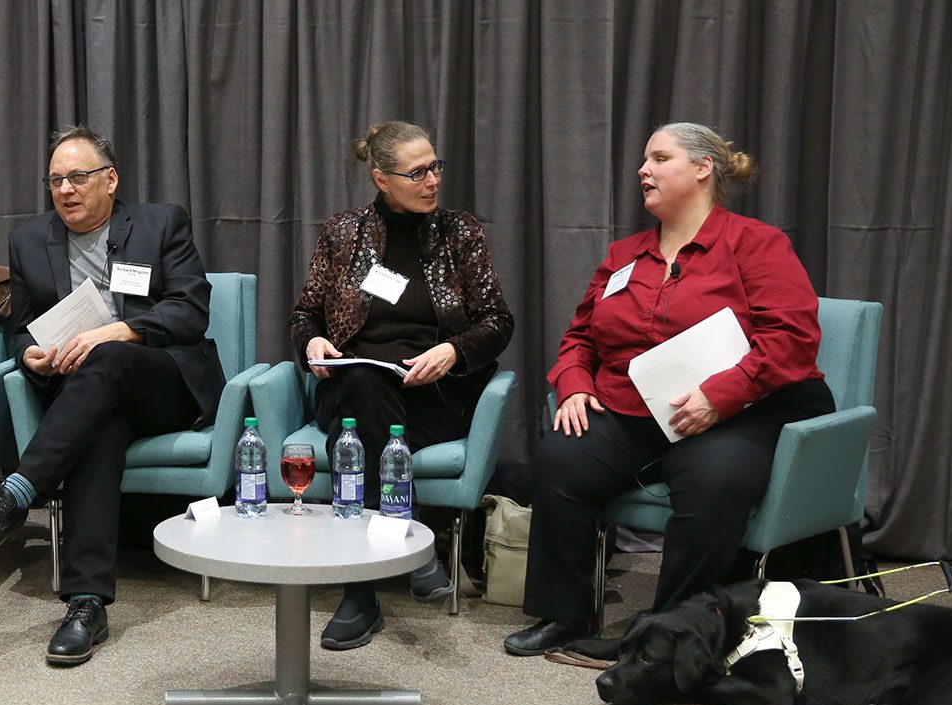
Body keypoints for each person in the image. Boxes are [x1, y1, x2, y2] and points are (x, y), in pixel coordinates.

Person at [503, 123, 836, 656]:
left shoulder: (756, 243)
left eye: (659, 158)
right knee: (560, 460)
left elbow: (793, 340)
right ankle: (566, 615)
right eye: (644, 161)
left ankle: (670, 632)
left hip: (742, 409)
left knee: (712, 481)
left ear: (702, 168)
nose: (644, 169)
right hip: (636, 410)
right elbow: (580, 337)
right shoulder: (623, 255)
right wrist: (572, 385)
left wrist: (719, 396)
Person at [0, 126, 225, 666]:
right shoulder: (30, 240)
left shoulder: (160, 223)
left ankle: (17, 492)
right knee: (101, 433)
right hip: (89, 396)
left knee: (108, 358)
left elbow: (192, 310)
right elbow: (23, 327)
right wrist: (30, 352)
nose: (66, 190)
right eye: (55, 180)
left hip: (163, 381)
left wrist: (119, 332)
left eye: (78, 177)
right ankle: (86, 603)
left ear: (111, 180)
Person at [289, 121, 514, 650]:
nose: (432, 180)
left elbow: (498, 321)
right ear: (382, 179)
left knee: (365, 429)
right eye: (416, 172)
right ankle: (409, 541)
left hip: (434, 395)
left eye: (435, 167)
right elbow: (306, 312)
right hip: (354, 388)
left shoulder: (461, 233)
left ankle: (360, 597)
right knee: (365, 381)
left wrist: (454, 349)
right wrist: (312, 344)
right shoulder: (345, 231)